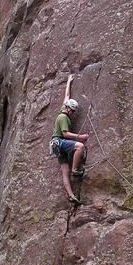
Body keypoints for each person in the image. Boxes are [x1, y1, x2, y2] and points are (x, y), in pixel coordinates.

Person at [51, 74, 89, 205]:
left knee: (64, 171)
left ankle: (71, 195)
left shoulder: (63, 109)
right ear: (68, 109)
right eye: (72, 111)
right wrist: (81, 137)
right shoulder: (63, 117)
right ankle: (75, 170)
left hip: (56, 145)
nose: (73, 114)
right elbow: (66, 134)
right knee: (80, 146)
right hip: (60, 141)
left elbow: (66, 96)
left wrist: (68, 81)